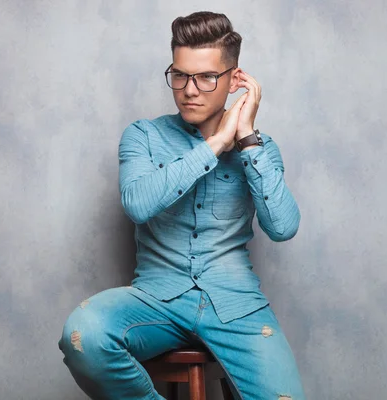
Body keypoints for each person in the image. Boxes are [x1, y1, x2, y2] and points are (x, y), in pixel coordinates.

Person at [59, 11, 305, 400]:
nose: (190, 90)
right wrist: (215, 144)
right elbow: (137, 205)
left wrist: (245, 142)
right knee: (83, 334)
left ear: (234, 79)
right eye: (180, 75)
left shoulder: (259, 148)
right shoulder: (143, 135)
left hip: (236, 305)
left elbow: (283, 227)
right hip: (157, 301)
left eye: (206, 77)